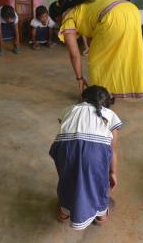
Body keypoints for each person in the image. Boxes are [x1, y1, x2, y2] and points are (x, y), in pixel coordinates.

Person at [49, 0, 143, 98]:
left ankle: (100, 97)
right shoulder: (83, 4)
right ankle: (112, 91)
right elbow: (93, 37)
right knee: (120, 55)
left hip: (112, 16)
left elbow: (75, 55)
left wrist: (80, 78)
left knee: (96, 62)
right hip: (132, 11)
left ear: (58, 18)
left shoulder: (68, 17)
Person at [49, 85, 121, 229]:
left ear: (83, 99)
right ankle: (100, 214)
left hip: (64, 150)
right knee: (99, 183)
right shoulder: (109, 115)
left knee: (68, 179)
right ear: (106, 104)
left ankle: (64, 212)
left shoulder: (69, 109)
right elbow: (111, 149)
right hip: (96, 153)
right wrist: (112, 173)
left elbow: (64, 126)